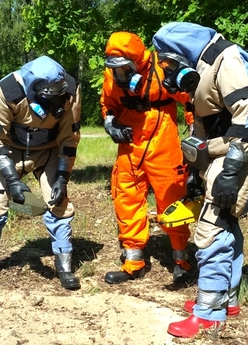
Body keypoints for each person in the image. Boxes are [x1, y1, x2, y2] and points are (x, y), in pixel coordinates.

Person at [152, 22, 248, 338]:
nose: (167, 70)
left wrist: (232, 170)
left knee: (211, 227)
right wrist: (197, 172)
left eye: (168, 62)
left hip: (239, 150)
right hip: (221, 152)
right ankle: (227, 298)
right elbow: (203, 129)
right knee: (226, 224)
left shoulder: (227, 59)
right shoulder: (203, 68)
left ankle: (209, 313)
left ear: (181, 52)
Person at [0, 56, 82, 291]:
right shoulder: (7, 91)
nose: (57, 101)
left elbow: (69, 139)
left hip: (49, 151)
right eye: (50, 96)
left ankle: (64, 266)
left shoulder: (71, 90)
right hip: (9, 151)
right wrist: (13, 182)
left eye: (59, 94)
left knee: (59, 202)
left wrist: (61, 178)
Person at [100, 31, 196, 285]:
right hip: (130, 145)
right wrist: (111, 124)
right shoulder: (111, 75)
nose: (120, 74)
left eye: (125, 69)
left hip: (163, 143)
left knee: (172, 200)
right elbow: (108, 105)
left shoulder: (163, 68)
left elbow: (190, 100)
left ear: (138, 61)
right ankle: (133, 262)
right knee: (126, 199)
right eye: (115, 69)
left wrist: (196, 134)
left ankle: (181, 260)